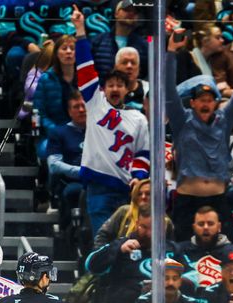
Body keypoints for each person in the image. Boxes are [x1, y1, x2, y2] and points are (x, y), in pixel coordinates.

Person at [166, 20, 233, 241]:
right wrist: (170, 54)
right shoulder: (181, 120)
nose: (206, 104)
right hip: (187, 200)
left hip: (218, 199)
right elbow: (168, 92)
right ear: (193, 103)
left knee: (226, 256)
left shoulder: (224, 120)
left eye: (210, 100)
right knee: (181, 255)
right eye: (201, 100)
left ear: (216, 103)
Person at [72, 5, 150, 236]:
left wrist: (138, 177)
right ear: (103, 89)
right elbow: (85, 69)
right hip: (98, 188)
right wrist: (80, 32)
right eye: (110, 85)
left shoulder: (138, 118)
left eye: (120, 85)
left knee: (126, 245)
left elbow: (142, 155)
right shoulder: (95, 103)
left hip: (127, 190)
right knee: (103, 243)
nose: (115, 89)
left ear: (128, 89)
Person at [85, 206, 177, 303]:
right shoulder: (121, 244)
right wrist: (118, 250)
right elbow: (91, 266)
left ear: (164, 227)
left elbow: (189, 278)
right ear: (137, 224)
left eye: (154, 228)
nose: (149, 233)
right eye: (144, 227)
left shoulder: (173, 249)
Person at [32, 35, 77, 160]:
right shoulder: (45, 79)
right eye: (64, 48)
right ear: (57, 54)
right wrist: (58, 131)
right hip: (54, 132)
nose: (68, 52)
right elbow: (39, 114)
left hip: (82, 132)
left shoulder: (85, 79)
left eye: (72, 48)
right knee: (50, 150)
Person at [47, 90, 86, 233]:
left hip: (97, 181)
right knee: (74, 192)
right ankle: (69, 233)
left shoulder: (98, 131)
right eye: (76, 107)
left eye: (84, 105)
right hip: (71, 181)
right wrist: (80, 172)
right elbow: (53, 165)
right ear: (69, 111)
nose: (81, 110)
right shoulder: (59, 133)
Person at [176, 206, 233, 292]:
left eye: (210, 223)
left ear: (219, 227)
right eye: (201, 224)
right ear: (194, 227)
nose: (206, 227)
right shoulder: (179, 251)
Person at [90, 0, 148, 80]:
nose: (131, 13)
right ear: (116, 14)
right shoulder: (97, 42)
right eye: (126, 10)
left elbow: (147, 74)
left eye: (135, 12)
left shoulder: (144, 46)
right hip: (102, 90)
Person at [137, 258, 207, 303]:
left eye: (175, 278)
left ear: (180, 281)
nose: (171, 283)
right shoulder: (143, 302)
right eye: (166, 278)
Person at [115, 47, 148, 113]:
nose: (129, 66)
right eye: (124, 62)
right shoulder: (106, 94)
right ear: (116, 67)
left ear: (139, 68)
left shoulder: (150, 90)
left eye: (133, 63)